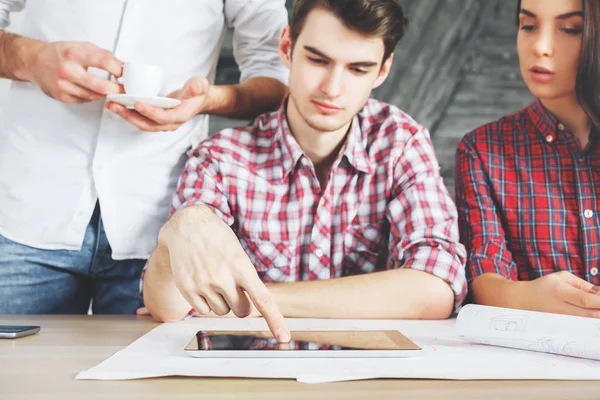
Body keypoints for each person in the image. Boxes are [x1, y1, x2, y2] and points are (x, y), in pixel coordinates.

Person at [143, 0, 467, 342]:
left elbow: (435, 288)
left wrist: (263, 298)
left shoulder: (401, 142)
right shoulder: (220, 159)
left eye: (358, 69)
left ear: (383, 71)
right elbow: (170, 306)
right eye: (318, 60)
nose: (332, 87)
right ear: (287, 48)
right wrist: (179, 231)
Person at [0, 1, 289, 314]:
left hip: (160, 231)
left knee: (147, 364)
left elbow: (276, 77)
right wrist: (28, 59)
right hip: (27, 210)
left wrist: (208, 100)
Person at [456, 0, 600, 318]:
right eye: (529, 25)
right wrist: (528, 297)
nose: (541, 47)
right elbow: (483, 275)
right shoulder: (484, 151)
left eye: (569, 29)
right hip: (535, 364)